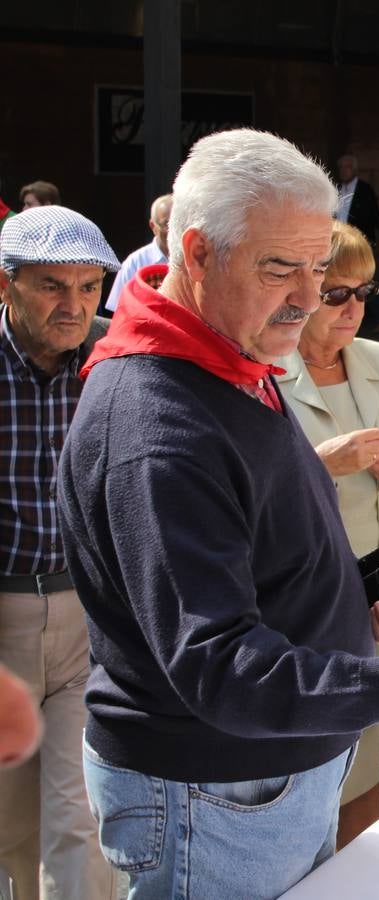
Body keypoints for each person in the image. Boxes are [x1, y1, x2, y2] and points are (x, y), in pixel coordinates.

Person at [58, 129, 379, 899]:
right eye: (283, 268)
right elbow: (220, 668)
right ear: (198, 255)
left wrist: (367, 583)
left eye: (318, 268)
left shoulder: (229, 347)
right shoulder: (156, 423)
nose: (309, 299)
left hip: (259, 778)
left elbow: (272, 512)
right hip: (212, 795)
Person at [276, 221, 379, 847]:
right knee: (298, 779)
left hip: (375, 599)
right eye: (337, 293)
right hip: (295, 600)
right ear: (305, 291)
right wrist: (323, 463)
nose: (354, 308)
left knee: (363, 775)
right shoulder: (266, 369)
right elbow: (244, 494)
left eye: (366, 292)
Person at [0, 205, 118, 900]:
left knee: (81, 815)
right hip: (4, 612)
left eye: (88, 285)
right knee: (11, 824)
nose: (74, 306)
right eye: (52, 285)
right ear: (6, 284)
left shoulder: (115, 356)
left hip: (87, 615)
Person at [335, 155, 379, 334]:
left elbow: (376, 218)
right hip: (338, 242)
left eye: (347, 167)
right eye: (342, 167)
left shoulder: (364, 190)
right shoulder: (338, 188)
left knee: (362, 280)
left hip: (358, 243)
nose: (344, 170)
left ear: (354, 170)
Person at [105, 193, 172, 314]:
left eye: (177, 223)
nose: (173, 230)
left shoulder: (194, 258)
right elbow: (119, 310)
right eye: (167, 224)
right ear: (153, 226)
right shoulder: (135, 263)